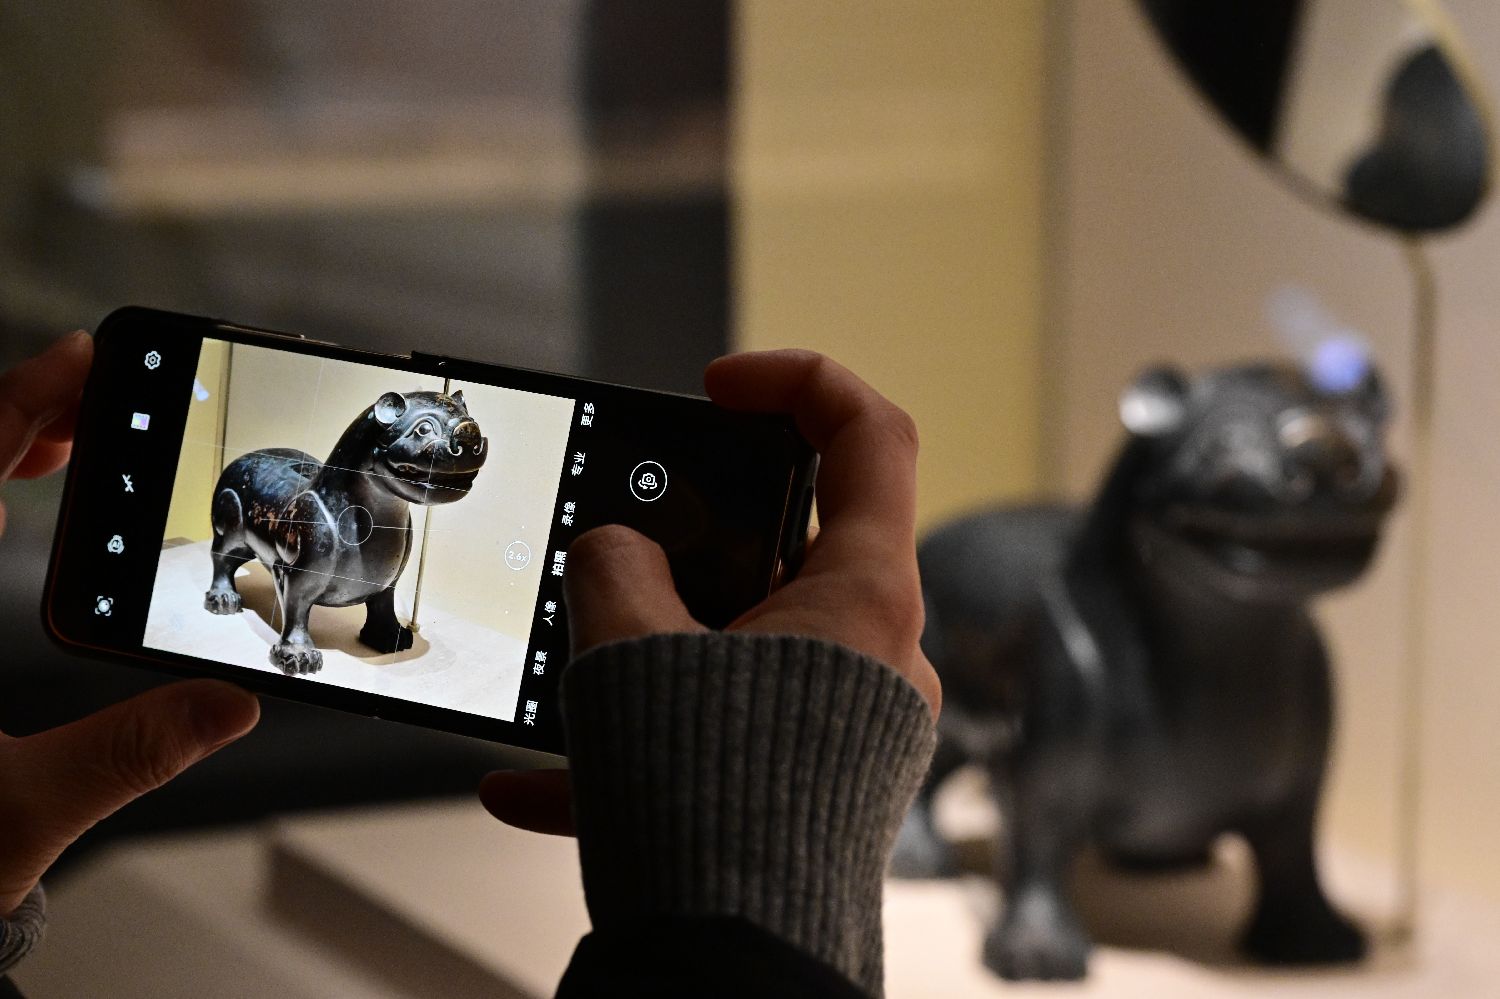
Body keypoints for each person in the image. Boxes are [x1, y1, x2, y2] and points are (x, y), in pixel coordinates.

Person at [0, 334, 939, 998]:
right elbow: (290, 566)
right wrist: (762, 911)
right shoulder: (301, 505)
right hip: (266, 523)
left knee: (368, 583)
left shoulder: (394, 530)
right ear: (382, 428)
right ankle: (227, 578)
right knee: (262, 561)